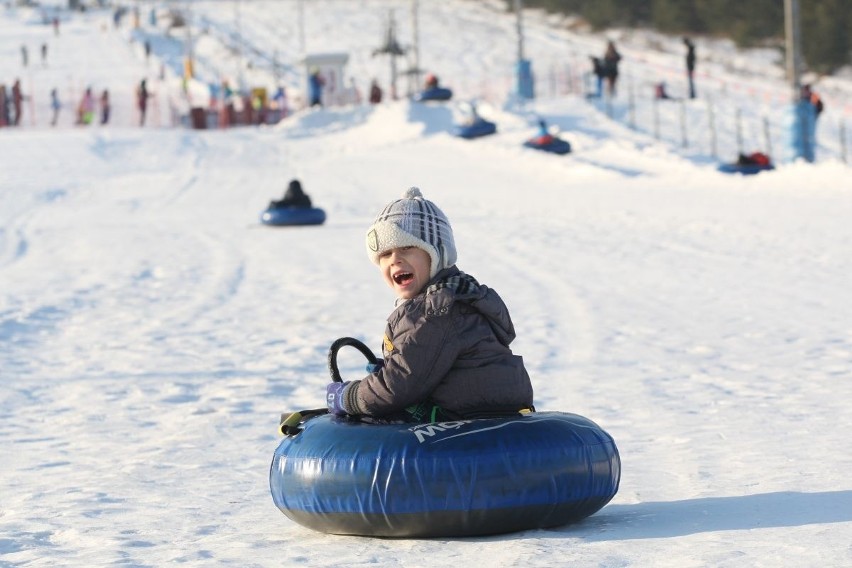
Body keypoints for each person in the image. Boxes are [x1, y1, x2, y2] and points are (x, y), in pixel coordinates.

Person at [326, 187, 534, 423]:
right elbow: (422, 364)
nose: (395, 259)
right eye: (385, 254)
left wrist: (348, 397)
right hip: (485, 413)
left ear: (438, 254)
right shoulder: (461, 295)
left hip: (463, 426)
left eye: (407, 248)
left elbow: (399, 386)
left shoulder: (437, 311)